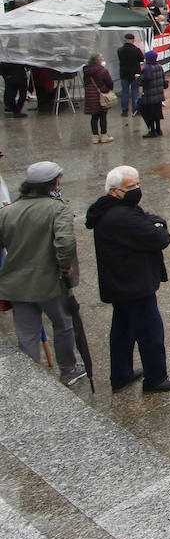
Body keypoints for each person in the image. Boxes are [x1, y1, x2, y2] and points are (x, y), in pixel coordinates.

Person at [86, 165, 170, 392]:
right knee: (150, 332)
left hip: (120, 283)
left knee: (122, 330)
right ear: (114, 191)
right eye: (130, 187)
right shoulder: (123, 217)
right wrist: (159, 225)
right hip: (134, 285)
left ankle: (120, 374)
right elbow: (159, 237)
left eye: (138, 184)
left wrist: (155, 221)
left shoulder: (110, 210)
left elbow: (149, 217)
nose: (136, 190)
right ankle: (156, 378)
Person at [0, 162, 86, 385]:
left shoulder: (7, 212)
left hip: (17, 285)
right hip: (50, 284)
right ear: (54, 183)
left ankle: (31, 381)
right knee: (63, 325)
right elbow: (65, 243)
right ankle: (68, 369)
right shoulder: (58, 209)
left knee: (26, 335)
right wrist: (64, 267)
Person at [82, 52, 115, 144]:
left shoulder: (86, 70)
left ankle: (95, 137)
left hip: (90, 96)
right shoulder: (103, 71)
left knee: (94, 116)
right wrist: (108, 89)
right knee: (103, 115)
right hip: (102, 95)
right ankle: (104, 135)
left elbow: (85, 83)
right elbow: (110, 83)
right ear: (98, 61)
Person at [137, 49, 167, 138]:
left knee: (148, 113)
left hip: (149, 95)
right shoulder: (159, 66)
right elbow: (163, 80)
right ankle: (158, 129)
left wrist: (137, 78)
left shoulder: (147, 68)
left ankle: (152, 131)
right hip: (159, 95)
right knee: (157, 113)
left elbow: (142, 81)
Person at [116, 32, 143, 117]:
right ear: (133, 40)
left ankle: (124, 110)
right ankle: (135, 109)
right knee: (135, 92)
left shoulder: (120, 50)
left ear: (125, 40)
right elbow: (141, 59)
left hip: (124, 73)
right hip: (135, 74)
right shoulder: (136, 50)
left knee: (125, 92)